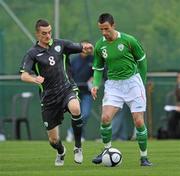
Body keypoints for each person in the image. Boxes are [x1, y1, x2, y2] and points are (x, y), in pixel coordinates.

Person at [19, 19, 93, 166]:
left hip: (66, 89)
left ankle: (78, 147)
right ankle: (61, 151)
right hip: (49, 98)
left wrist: (86, 47)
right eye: (44, 33)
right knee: (53, 140)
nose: (48, 36)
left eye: (49, 32)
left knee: (76, 108)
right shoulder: (32, 53)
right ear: (37, 34)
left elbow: (80, 47)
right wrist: (34, 79)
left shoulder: (60, 44)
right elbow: (23, 75)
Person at [91, 13, 152, 166]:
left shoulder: (129, 40)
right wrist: (96, 85)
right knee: (105, 118)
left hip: (133, 83)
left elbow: (142, 61)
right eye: (101, 30)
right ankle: (106, 150)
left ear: (113, 25)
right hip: (113, 85)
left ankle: (144, 157)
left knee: (138, 121)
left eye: (106, 29)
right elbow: (98, 68)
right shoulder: (100, 45)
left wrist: (141, 83)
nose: (104, 32)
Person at [66, 42, 94, 142]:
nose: (87, 49)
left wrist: (93, 79)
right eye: (85, 47)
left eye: (89, 47)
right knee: (76, 114)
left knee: (85, 114)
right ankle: (79, 134)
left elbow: (98, 72)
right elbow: (69, 74)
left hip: (87, 92)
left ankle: (72, 131)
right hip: (75, 92)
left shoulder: (93, 59)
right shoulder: (74, 60)